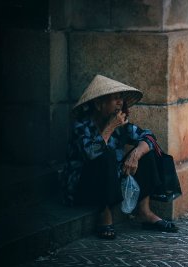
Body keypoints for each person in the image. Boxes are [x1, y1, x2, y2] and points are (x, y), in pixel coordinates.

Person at [62, 74, 177, 239]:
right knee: (105, 154)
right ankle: (105, 214)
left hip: (111, 180)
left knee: (146, 152)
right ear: (98, 103)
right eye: (115, 99)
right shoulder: (82, 125)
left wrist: (136, 154)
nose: (120, 103)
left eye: (120, 98)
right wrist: (109, 127)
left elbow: (149, 137)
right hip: (83, 185)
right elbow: (91, 153)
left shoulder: (121, 125)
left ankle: (144, 212)